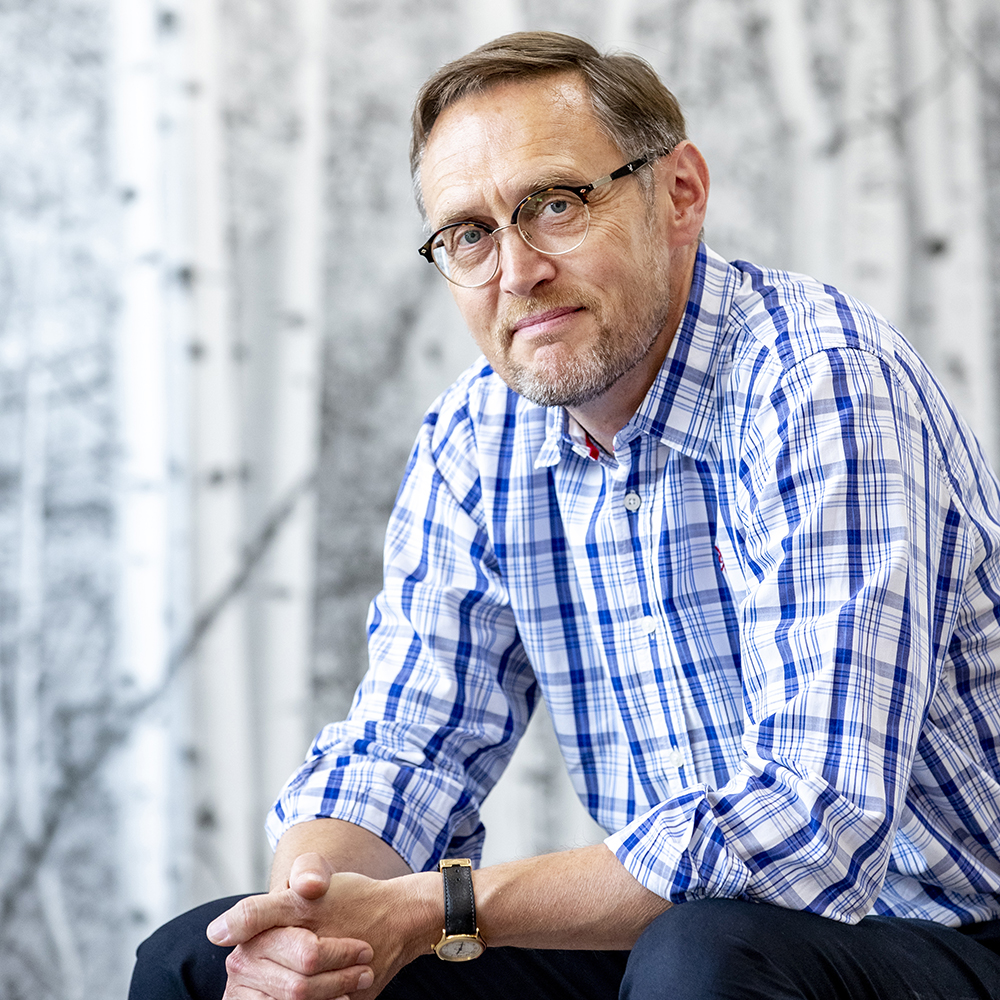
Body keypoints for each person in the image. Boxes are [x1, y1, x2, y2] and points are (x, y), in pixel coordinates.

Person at [130, 31, 1000, 1000]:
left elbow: (813, 823)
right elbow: (405, 747)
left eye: (554, 203)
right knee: (200, 959)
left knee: (704, 957)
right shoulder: (477, 433)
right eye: (469, 233)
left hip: (941, 929)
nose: (517, 268)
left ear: (679, 193)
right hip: (683, 934)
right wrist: (306, 914)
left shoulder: (818, 380)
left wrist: (437, 907)